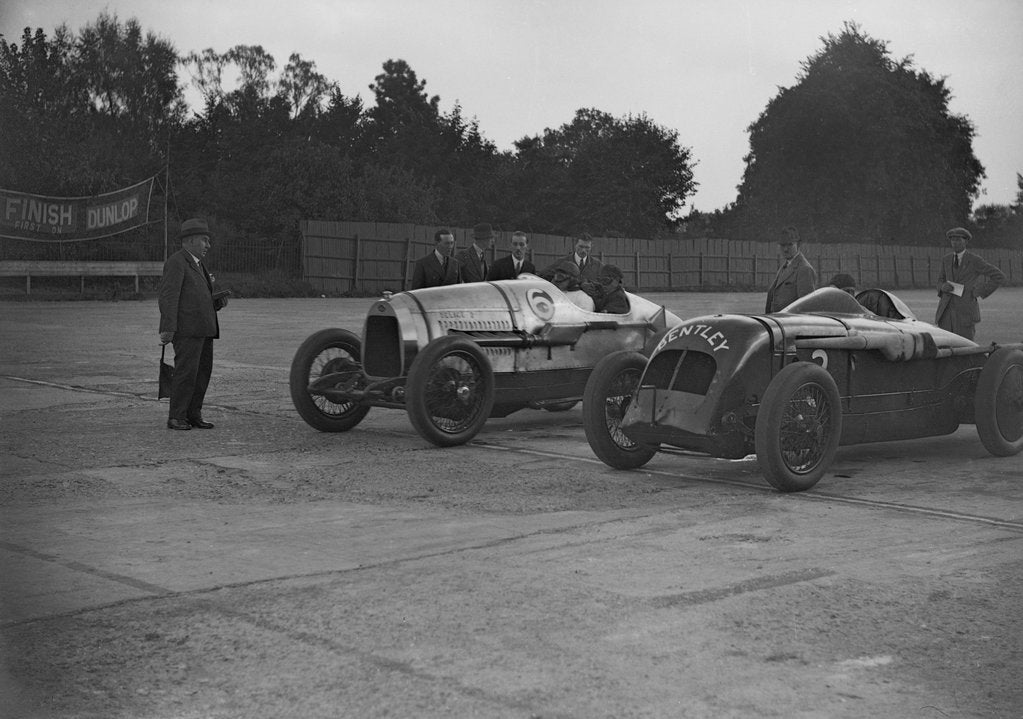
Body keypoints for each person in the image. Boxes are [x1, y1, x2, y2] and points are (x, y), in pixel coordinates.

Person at [158, 218, 229, 430]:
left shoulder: (198, 264)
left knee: (201, 375)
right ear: (189, 241)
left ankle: (193, 414)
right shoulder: (177, 262)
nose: (208, 245)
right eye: (204, 240)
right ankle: (176, 416)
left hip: (204, 330)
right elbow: (168, 297)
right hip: (187, 331)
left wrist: (216, 302)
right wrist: (168, 328)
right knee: (186, 373)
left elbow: (196, 298)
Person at [935, 226, 1005, 340]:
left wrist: (978, 291)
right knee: (945, 348)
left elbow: (998, 276)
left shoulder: (974, 260)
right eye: (952, 240)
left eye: (958, 240)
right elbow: (939, 281)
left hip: (965, 313)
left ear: (966, 241)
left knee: (964, 347)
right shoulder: (946, 259)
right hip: (945, 313)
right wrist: (943, 286)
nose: (954, 243)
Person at [765, 226, 817, 312]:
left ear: (798, 245)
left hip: (789, 323)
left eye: (790, 245)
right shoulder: (785, 266)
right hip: (778, 321)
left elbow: (806, 307)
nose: (785, 249)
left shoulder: (804, 269)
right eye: (782, 245)